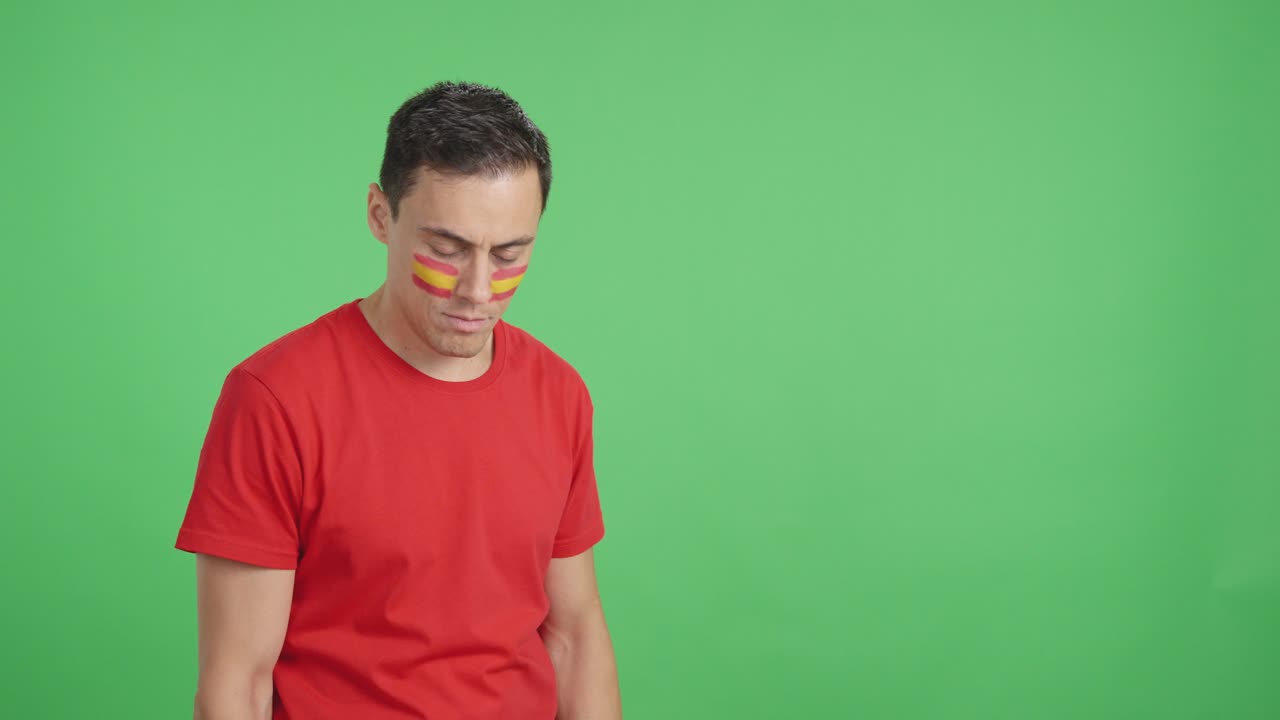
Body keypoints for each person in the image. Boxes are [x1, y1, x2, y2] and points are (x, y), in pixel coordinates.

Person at [174, 81, 622, 720]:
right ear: (381, 216)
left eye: (509, 254)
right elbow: (237, 682)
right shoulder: (274, 400)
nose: (477, 289)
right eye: (446, 250)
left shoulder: (560, 393)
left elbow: (575, 637)